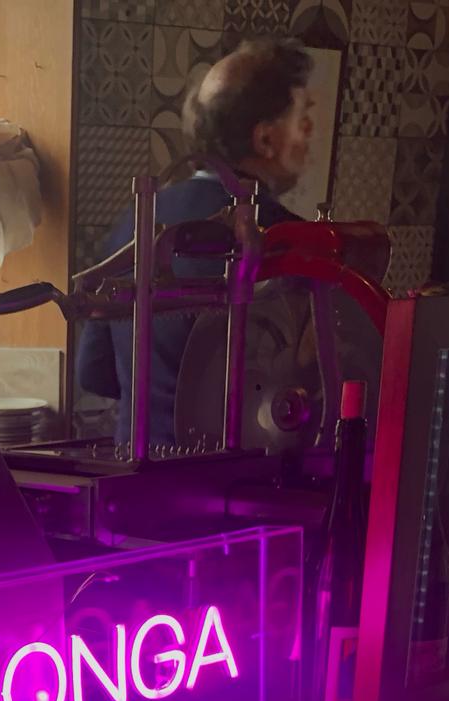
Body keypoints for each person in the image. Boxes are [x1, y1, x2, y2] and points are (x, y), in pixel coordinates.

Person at [76, 38, 317, 446]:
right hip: (234, 476)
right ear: (265, 140)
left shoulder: (138, 219)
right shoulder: (285, 239)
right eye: (302, 117)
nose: (310, 132)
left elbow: (94, 372)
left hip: (136, 468)